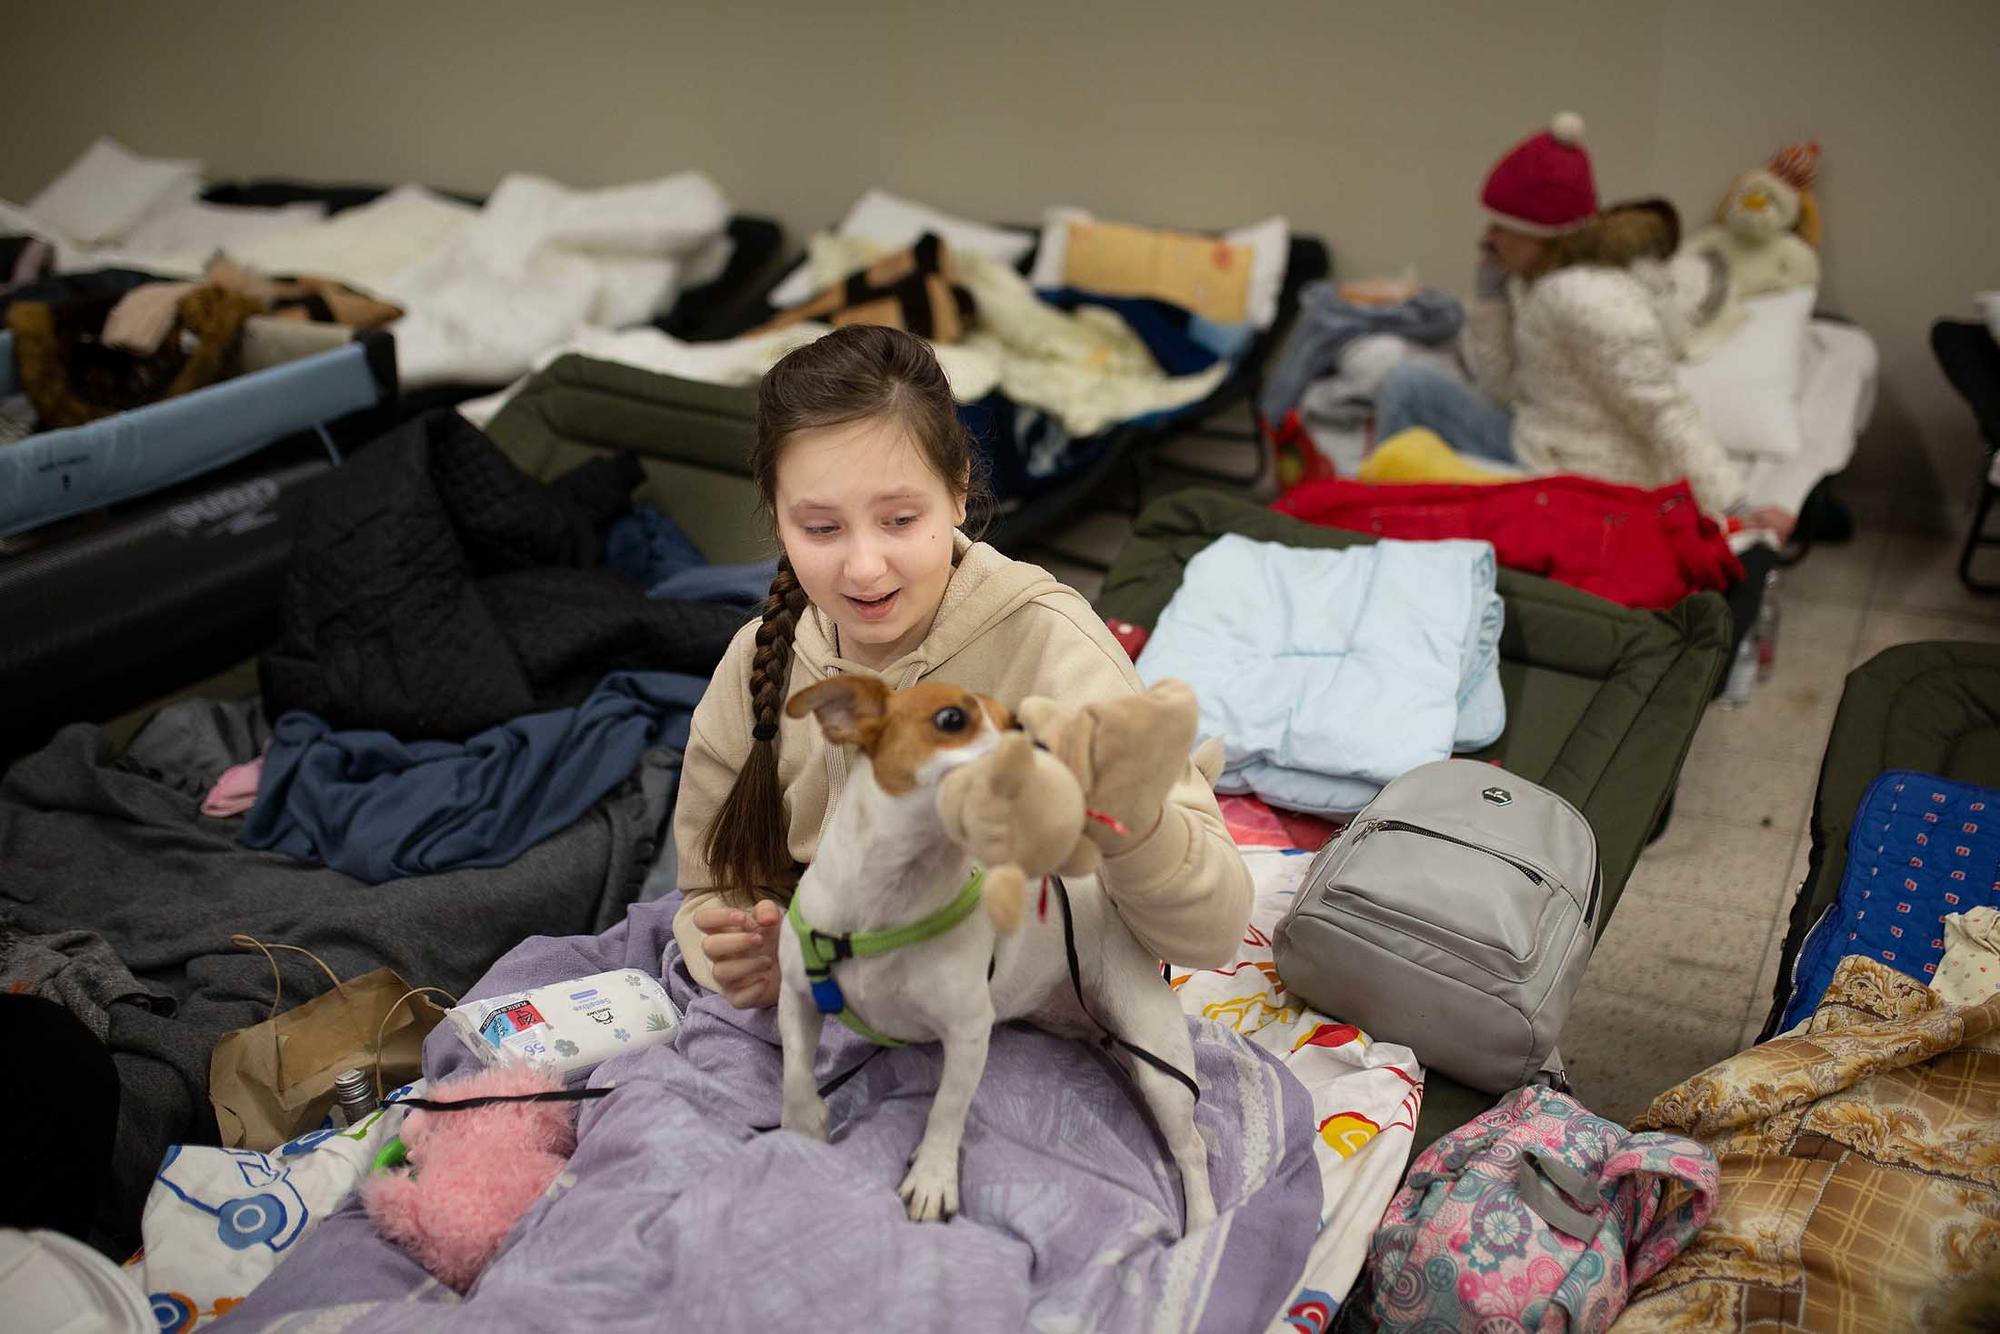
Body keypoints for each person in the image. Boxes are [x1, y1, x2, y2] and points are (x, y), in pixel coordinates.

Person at [670, 324, 1252, 1009]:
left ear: (958, 490)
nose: (863, 567)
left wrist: (1136, 827)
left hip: (1019, 1017)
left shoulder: (1050, 643)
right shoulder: (758, 661)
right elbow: (711, 888)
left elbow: (1213, 935)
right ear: (776, 516)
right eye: (821, 529)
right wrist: (741, 956)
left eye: (899, 520)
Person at [1377, 113, 1792, 538]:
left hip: (1580, 468)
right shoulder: (1537, 282)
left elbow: (1664, 410)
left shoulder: (1586, 296)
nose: (1490, 236)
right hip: (1540, 434)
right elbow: (1501, 389)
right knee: (1409, 380)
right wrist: (1489, 302)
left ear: (1536, 234)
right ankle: (1376, 507)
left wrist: (1735, 502)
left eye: (1502, 226)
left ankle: (1370, 517)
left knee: (1409, 383)